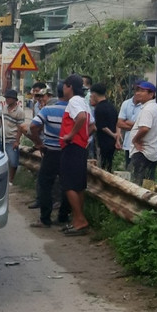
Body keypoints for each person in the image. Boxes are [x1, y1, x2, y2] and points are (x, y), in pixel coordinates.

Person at [27, 85, 69, 228]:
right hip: (68, 152)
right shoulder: (74, 110)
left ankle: (45, 219)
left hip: (50, 152)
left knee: (45, 184)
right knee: (67, 185)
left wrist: (38, 143)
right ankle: (63, 217)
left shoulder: (48, 110)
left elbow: (33, 126)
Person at [59, 74, 92, 235]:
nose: (63, 89)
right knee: (78, 185)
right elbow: (92, 126)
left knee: (68, 184)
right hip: (81, 147)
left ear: (69, 86)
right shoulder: (83, 102)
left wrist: (71, 135)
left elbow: (80, 118)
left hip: (72, 147)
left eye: (64, 86)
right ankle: (78, 219)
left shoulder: (73, 102)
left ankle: (79, 219)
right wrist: (83, 137)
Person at [129, 81, 157, 186]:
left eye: (142, 91)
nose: (138, 93)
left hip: (143, 153)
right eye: (137, 90)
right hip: (151, 152)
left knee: (138, 185)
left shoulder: (148, 109)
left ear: (151, 94)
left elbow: (145, 128)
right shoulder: (155, 108)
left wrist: (135, 140)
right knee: (148, 184)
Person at [90, 83, 118, 172]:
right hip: (112, 142)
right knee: (109, 164)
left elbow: (102, 126)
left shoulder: (99, 108)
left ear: (94, 94)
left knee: (103, 166)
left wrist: (113, 135)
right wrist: (116, 136)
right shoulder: (111, 106)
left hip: (103, 141)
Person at [1, 89, 25, 185]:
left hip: (12, 139)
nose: (7, 100)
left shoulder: (19, 112)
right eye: (6, 98)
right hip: (3, 138)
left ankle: (11, 180)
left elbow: (20, 128)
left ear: (14, 99)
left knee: (13, 161)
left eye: (9, 98)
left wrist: (17, 141)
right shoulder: (4, 108)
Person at [115, 91, 140, 168]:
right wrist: (137, 126)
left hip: (140, 145)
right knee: (128, 168)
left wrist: (128, 122)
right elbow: (119, 123)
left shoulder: (147, 106)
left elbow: (146, 127)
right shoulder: (126, 104)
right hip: (128, 143)